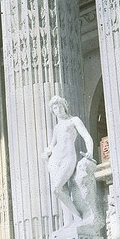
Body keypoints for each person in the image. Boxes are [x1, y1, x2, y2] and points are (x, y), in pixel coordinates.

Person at [43, 95, 94, 223]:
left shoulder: (73, 120)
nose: (58, 110)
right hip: (55, 159)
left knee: (56, 188)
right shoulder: (56, 128)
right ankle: (68, 222)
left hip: (68, 158)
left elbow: (87, 137)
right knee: (62, 189)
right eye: (55, 108)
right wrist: (47, 151)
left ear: (64, 107)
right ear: (53, 111)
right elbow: (51, 145)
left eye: (60, 107)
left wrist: (90, 151)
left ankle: (77, 215)